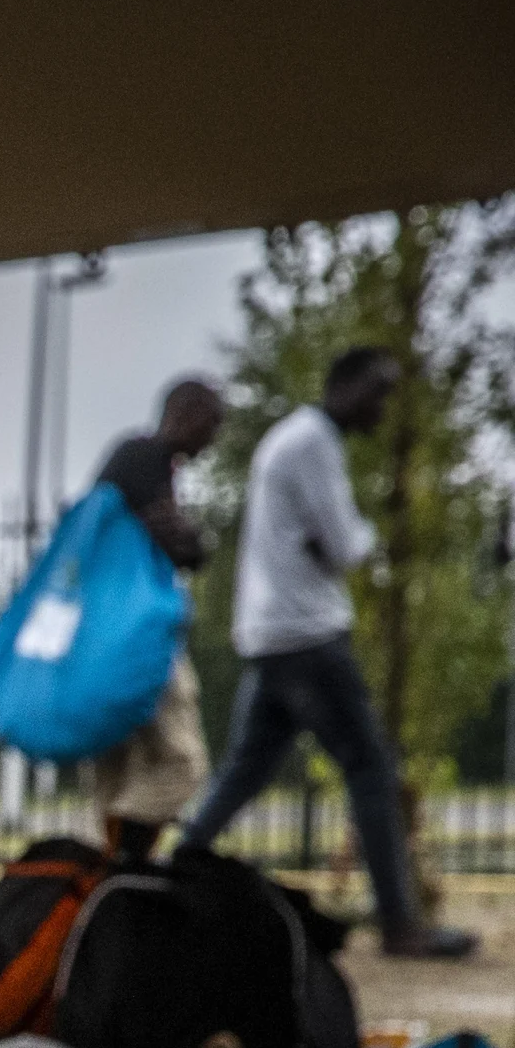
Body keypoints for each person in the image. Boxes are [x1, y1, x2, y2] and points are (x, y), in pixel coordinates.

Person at [177, 347, 476, 958]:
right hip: (307, 635)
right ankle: (401, 925)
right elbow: (347, 548)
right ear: (344, 385)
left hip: (271, 635)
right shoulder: (312, 442)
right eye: (378, 390)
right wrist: (349, 539)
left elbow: (327, 544)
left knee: (247, 769)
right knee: (370, 768)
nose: (383, 407)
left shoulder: (291, 439)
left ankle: (174, 867)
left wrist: (329, 543)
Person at [84, 377, 230, 850]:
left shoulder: (125, 463)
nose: (214, 438)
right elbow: (182, 546)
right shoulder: (147, 458)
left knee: (118, 771)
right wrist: (196, 542)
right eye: (212, 424)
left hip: (100, 639)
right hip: (135, 640)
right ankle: (123, 861)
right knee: (179, 766)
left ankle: (107, 879)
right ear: (185, 413)